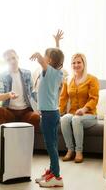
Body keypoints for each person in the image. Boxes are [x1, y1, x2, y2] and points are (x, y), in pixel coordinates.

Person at [30, 48, 65, 188]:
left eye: (46, 56)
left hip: (48, 114)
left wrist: (37, 54)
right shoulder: (57, 72)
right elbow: (56, 57)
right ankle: (52, 172)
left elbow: (42, 61)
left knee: (51, 147)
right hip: (53, 113)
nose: (43, 58)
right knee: (53, 145)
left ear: (49, 61)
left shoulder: (49, 71)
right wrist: (57, 43)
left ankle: (56, 177)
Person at [59, 53, 99, 163]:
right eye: (73, 63)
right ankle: (70, 150)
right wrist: (59, 111)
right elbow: (63, 98)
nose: (76, 65)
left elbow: (94, 99)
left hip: (89, 114)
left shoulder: (92, 79)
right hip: (73, 113)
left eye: (79, 62)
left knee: (76, 119)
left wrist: (84, 109)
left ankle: (79, 152)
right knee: (64, 119)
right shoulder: (67, 80)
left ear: (84, 64)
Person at [0, 49, 40, 132]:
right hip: (10, 111)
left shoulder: (27, 73)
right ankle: (1, 143)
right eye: (8, 60)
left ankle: (27, 144)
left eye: (13, 58)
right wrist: (8, 95)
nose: (12, 61)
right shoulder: (2, 76)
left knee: (36, 117)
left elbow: (33, 93)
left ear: (17, 58)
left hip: (26, 111)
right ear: (5, 62)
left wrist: (41, 107)